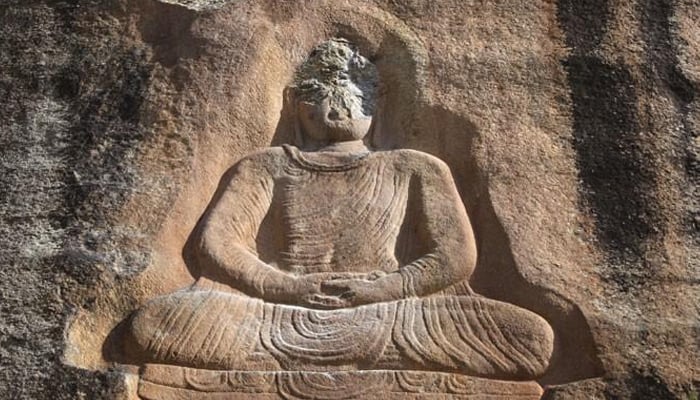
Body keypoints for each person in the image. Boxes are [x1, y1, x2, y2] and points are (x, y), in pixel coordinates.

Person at [127, 38, 553, 380]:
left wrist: (383, 290)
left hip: (391, 311)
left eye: (353, 95)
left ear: (377, 102)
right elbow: (218, 245)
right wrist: (286, 287)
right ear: (295, 102)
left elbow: (455, 258)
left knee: (528, 339)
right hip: (279, 309)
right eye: (319, 95)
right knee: (158, 323)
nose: (336, 107)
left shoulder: (414, 166)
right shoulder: (266, 165)